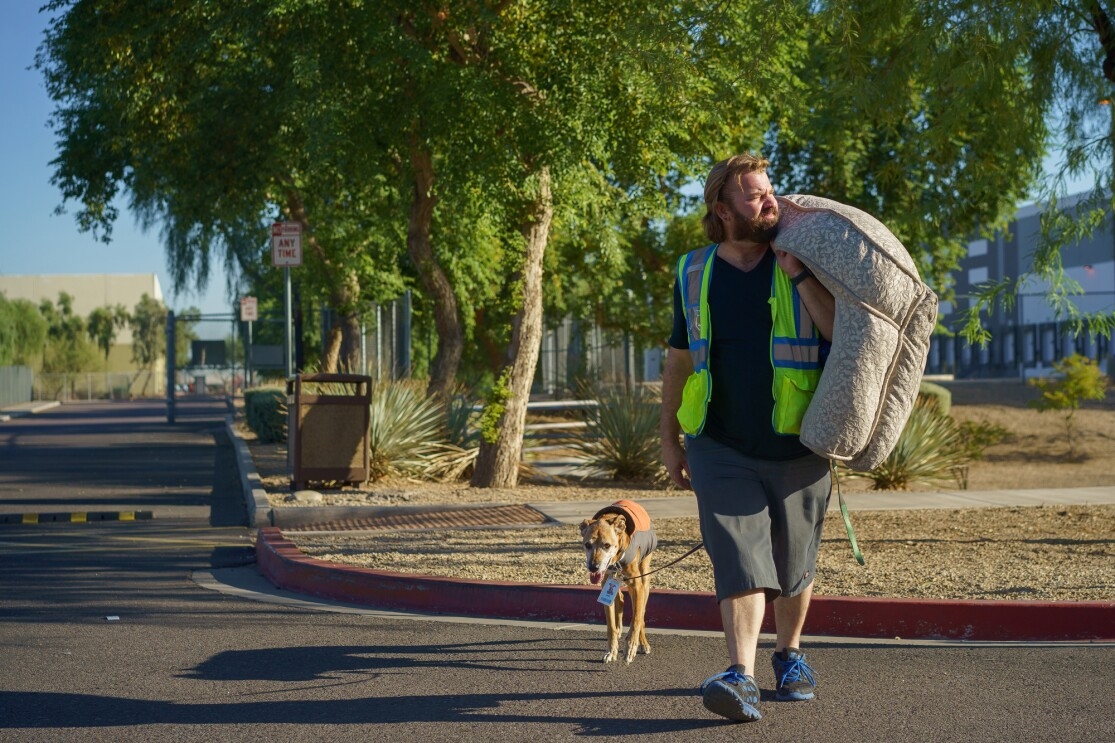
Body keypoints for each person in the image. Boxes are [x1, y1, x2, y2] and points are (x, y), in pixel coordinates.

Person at [660, 153, 836, 723]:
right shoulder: (694, 271)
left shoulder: (803, 260)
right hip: (719, 442)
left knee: (794, 562)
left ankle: (789, 656)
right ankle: (740, 675)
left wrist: (801, 274)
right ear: (723, 209)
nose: (771, 202)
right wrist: (669, 438)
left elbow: (840, 333)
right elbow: (680, 359)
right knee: (738, 556)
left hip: (799, 442)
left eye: (771, 191)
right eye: (757, 195)